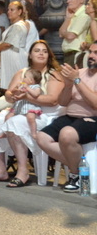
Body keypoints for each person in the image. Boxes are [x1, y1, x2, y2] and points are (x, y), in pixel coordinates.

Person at [0, 40, 63, 187]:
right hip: (20, 108)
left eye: (44, 51)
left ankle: (23, 171)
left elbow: (53, 100)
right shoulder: (22, 73)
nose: (41, 54)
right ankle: (1, 170)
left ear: (49, 55)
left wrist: (26, 97)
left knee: (15, 122)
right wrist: (12, 96)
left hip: (43, 113)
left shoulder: (54, 74)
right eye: (37, 51)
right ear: (30, 55)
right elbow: (8, 94)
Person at [36, 42, 97, 192]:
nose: (91, 56)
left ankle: (75, 175)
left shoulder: (78, 77)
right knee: (42, 137)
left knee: (67, 134)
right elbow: (63, 102)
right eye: (90, 52)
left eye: (96, 53)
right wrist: (69, 85)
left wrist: (77, 81)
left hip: (92, 118)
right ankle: (81, 167)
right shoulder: (79, 73)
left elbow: (95, 103)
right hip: (70, 116)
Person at [0, 1, 30, 89]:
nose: (9, 12)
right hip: (11, 57)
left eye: (12, 10)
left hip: (15, 58)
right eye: (8, 10)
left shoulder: (18, 26)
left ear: (19, 11)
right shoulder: (15, 25)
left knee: (15, 85)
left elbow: (9, 43)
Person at [0, 68, 43, 140]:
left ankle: (34, 132)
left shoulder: (36, 87)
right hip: (19, 105)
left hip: (29, 106)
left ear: (31, 80)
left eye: (25, 77)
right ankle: (5, 131)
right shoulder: (22, 85)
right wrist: (16, 89)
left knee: (31, 117)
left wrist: (27, 88)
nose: (23, 78)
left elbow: (36, 94)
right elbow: (13, 91)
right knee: (8, 116)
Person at [59, 0, 90, 67]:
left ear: (82, 0)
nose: (68, 1)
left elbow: (70, 36)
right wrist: (68, 18)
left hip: (76, 55)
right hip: (69, 55)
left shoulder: (84, 15)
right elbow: (60, 34)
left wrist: (64, 33)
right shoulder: (72, 14)